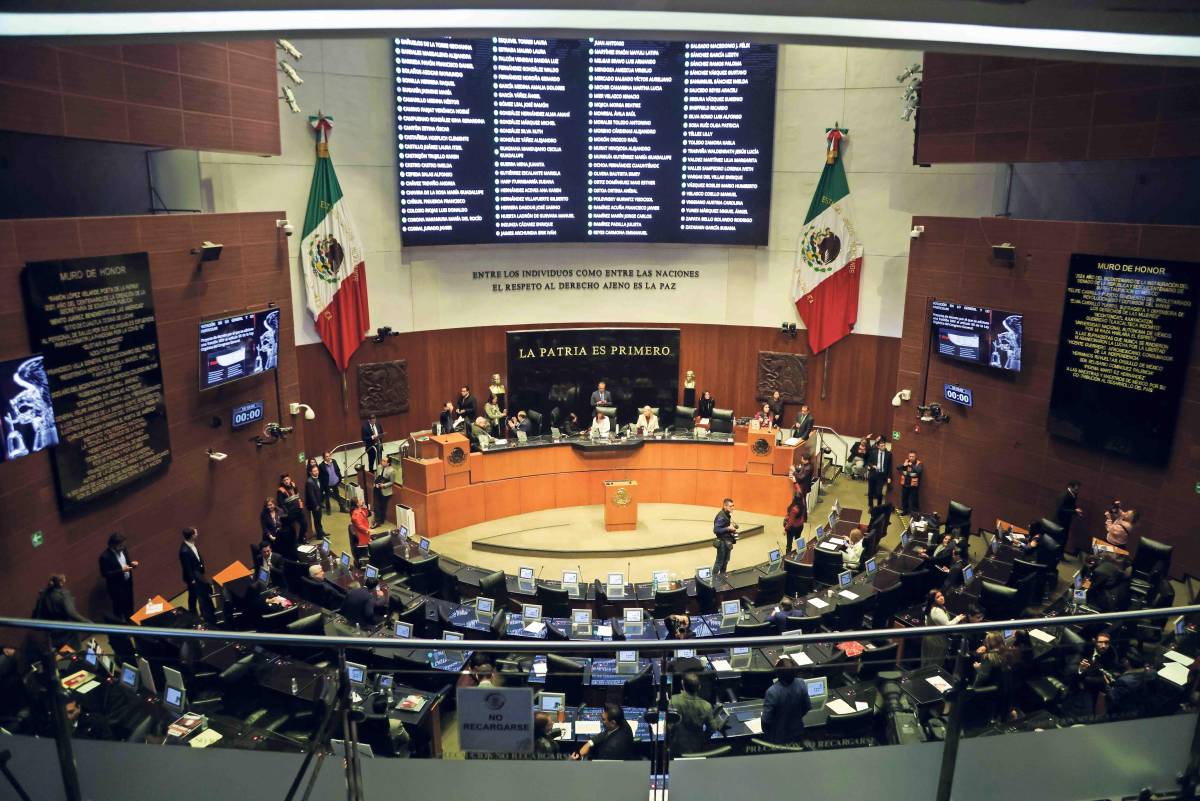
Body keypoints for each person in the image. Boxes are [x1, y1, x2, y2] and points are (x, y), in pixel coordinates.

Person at [668, 672, 723, 757]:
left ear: (682, 684)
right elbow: (712, 728)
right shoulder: (706, 706)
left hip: (676, 746)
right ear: (699, 687)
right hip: (696, 747)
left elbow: (669, 726)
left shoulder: (673, 700)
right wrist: (703, 738)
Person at [761, 657, 811, 745]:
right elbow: (807, 707)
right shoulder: (801, 683)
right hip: (797, 731)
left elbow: (766, 720)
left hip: (778, 737)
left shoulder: (772, 692)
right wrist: (794, 718)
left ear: (777, 673)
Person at [98, 533, 137, 621]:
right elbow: (105, 574)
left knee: (130, 607)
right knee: (119, 609)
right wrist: (121, 571)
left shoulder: (123, 550)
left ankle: (131, 624)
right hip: (117, 588)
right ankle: (122, 626)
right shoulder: (105, 557)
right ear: (113, 545)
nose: (123, 547)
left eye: (123, 545)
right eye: (121, 545)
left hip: (127, 583)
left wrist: (131, 564)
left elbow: (126, 563)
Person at [178, 527, 214, 623]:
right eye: (195, 533)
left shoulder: (191, 544)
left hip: (198, 574)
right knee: (197, 596)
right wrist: (192, 580)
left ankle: (193, 614)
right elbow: (187, 567)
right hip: (193, 578)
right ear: (192, 536)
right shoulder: (184, 551)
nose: (197, 534)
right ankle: (195, 615)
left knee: (193, 596)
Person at [921, 589, 963, 668]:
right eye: (938, 597)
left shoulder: (933, 607)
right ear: (933, 600)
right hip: (937, 642)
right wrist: (958, 618)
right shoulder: (936, 611)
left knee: (928, 662)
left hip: (931, 640)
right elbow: (947, 626)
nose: (941, 597)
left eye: (941, 595)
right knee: (934, 664)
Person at [276, 473, 307, 547]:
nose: (286, 481)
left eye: (287, 479)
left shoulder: (294, 486)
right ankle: (295, 543)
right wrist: (287, 513)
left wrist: (301, 507)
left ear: (290, 479)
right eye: (284, 480)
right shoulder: (280, 491)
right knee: (292, 530)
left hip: (298, 511)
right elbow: (281, 504)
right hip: (290, 513)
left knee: (304, 525)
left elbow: (297, 497)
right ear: (282, 482)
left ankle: (300, 539)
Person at [712, 498, 739, 576]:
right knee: (719, 562)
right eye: (730, 506)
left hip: (727, 542)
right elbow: (716, 530)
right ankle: (714, 578)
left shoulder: (727, 515)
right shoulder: (721, 516)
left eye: (733, 506)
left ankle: (722, 576)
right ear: (725, 506)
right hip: (722, 543)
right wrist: (728, 528)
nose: (732, 507)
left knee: (726, 561)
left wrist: (731, 530)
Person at [1055, 480, 1083, 553]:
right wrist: (1074, 511)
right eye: (1076, 488)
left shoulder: (1074, 495)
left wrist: (1076, 511)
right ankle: (1057, 554)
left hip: (1067, 520)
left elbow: (1071, 506)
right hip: (1061, 520)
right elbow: (1060, 509)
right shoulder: (1065, 495)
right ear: (1070, 487)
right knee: (1060, 538)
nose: (1078, 490)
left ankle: (1060, 554)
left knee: (1064, 538)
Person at [866, 435, 892, 508]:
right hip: (873, 474)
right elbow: (868, 462)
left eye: (884, 445)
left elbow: (889, 466)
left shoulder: (888, 454)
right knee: (870, 491)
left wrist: (889, 477)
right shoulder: (873, 452)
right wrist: (872, 466)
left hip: (881, 475)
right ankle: (871, 506)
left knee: (879, 492)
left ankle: (879, 506)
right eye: (881, 446)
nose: (883, 447)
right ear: (878, 446)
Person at [897, 450, 923, 516]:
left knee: (914, 501)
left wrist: (911, 465)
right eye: (910, 456)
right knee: (904, 499)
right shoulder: (906, 461)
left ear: (915, 457)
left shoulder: (919, 463)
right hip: (905, 485)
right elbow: (897, 467)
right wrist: (903, 465)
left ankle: (914, 514)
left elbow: (918, 471)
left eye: (912, 456)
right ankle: (905, 511)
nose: (911, 458)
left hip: (913, 486)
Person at [373, 455, 394, 528]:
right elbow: (376, 476)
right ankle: (377, 521)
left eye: (384, 461)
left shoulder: (391, 471)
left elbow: (392, 482)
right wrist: (375, 483)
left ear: (388, 463)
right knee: (376, 505)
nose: (382, 462)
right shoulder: (379, 467)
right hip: (376, 488)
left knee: (382, 506)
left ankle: (381, 520)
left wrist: (384, 485)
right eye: (382, 460)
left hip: (385, 491)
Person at [306, 464, 325, 538]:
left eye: (317, 470)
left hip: (319, 503)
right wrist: (316, 505)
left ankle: (321, 532)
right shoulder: (309, 482)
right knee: (317, 520)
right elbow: (311, 495)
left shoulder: (317, 478)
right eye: (314, 471)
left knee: (319, 519)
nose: (316, 472)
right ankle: (319, 535)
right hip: (315, 505)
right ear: (310, 472)